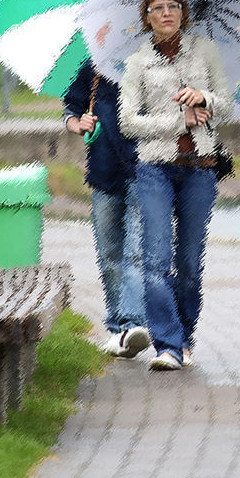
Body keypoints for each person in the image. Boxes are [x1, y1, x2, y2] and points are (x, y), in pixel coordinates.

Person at [119, 0, 233, 371]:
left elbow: (228, 106)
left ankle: (184, 337)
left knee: (188, 262)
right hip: (154, 170)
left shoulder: (205, 51)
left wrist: (204, 100)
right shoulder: (137, 62)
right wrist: (178, 120)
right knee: (155, 260)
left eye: (173, 6)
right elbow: (128, 122)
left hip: (200, 169)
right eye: (157, 8)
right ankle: (166, 344)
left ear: (184, 13)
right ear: (146, 17)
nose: (166, 13)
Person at [64, 60, 150, 358]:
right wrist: (79, 124)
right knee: (109, 252)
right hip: (104, 172)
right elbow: (71, 110)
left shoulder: (154, 59)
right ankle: (116, 327)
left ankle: (131, 324)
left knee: (136, 252)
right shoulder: (94, 64)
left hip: (147, 170)